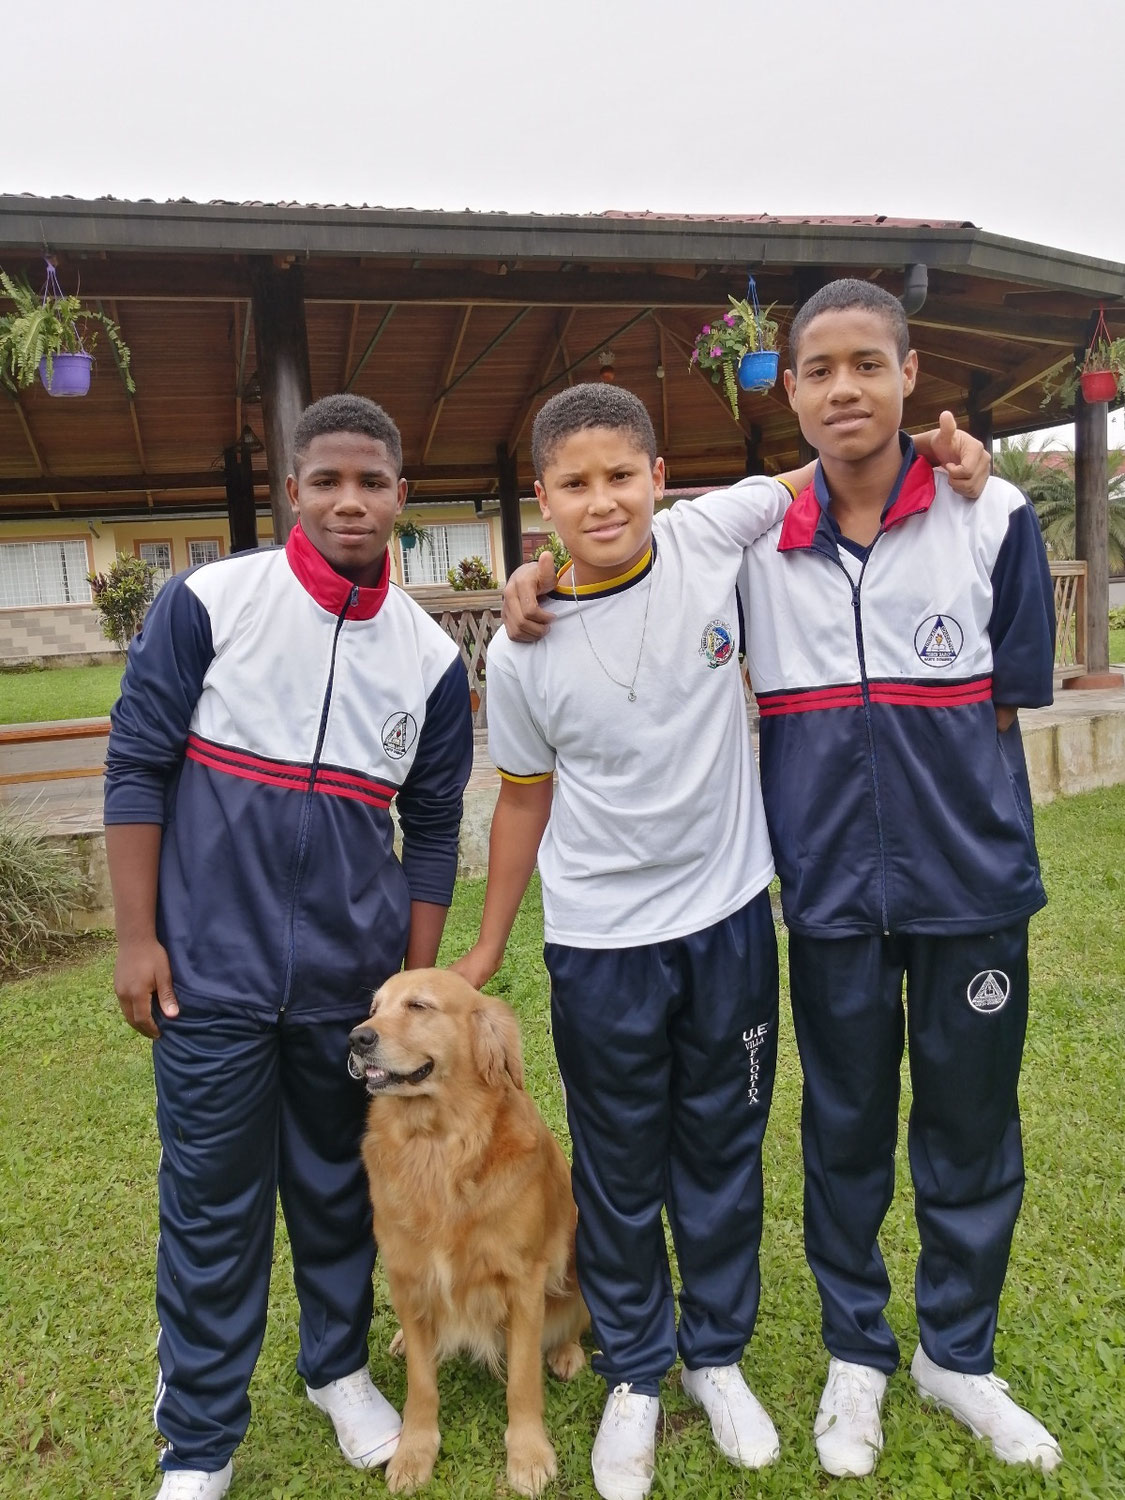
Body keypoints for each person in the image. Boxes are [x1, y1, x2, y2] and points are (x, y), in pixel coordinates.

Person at [455, 382, 987, 1500]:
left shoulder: (711, 533)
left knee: (723, 1147)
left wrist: (945, 449)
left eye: (620, 475)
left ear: (659, 477)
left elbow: (839, 462)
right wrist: (489, 945)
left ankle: (715, 1352)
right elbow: (520, 801)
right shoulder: (523, 647)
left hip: (732, 918)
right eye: (575, 484)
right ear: (540, 501)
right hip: (601, 941)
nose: (603, 501)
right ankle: (639, 1370)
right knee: (618, 1160)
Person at [104, 393, 473, 1500]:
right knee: (212, 1210)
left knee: (337, 1194)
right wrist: (136, 939)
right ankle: (202, 1442)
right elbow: (136, 767)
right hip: (204, 981)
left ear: (403, 500)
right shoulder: (208, 604)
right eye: (328, 482)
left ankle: (333, 1370)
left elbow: (436, 826)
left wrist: (408, 989)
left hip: (344, 1000)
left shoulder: (428, 660)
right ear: (292, 492)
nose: (350, 501)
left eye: (372, 483)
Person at [737, 279, 1062, 1477]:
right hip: (828, 897)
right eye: (818, 369)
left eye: (867, 364)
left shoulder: (995, 518)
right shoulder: (754, 540)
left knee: (972, 1130)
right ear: (793, 390)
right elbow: (631, 573)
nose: (844, 389)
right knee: (845, 1128)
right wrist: (535, 587)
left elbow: (1014, 689)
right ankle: (858, 1355)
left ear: (910, 375)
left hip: (972, 892)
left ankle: (958, 1356)